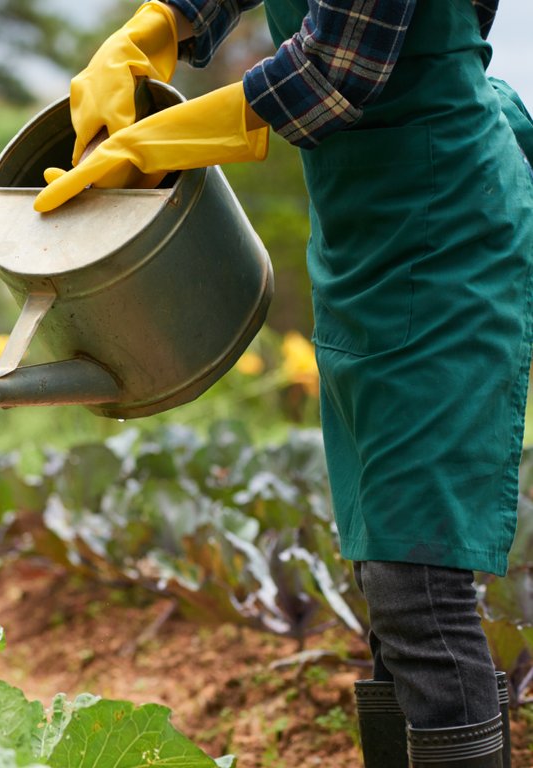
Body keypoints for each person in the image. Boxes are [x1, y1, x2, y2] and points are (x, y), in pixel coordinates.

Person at [41, 1, 533, 766]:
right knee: (384, 568)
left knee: (419, 584)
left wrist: (160, 140)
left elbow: (331, 73)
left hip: (446, 234)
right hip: (365, 232)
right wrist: (157, 25)